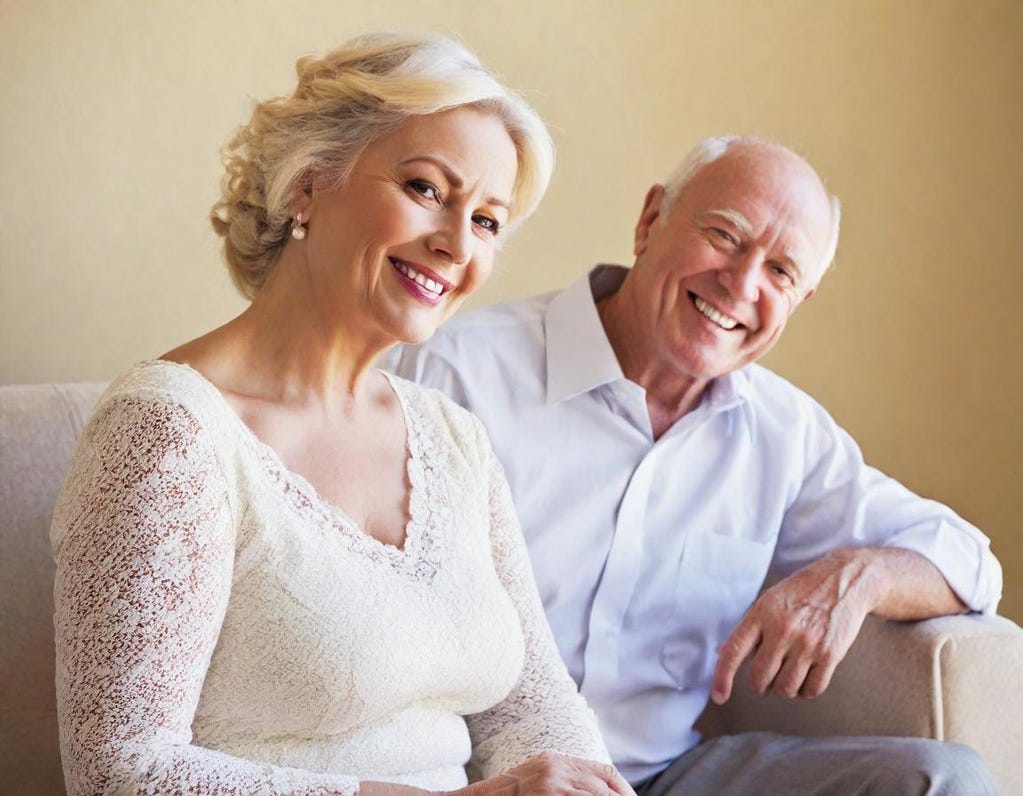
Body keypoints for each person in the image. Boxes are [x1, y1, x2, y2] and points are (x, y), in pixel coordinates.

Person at [50, 32, 635, 796]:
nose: (456, 243)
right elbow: (122, 772)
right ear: (307, 185)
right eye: (426, 188)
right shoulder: (168, 432)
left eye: (487, 221)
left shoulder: (450, 436)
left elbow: (530, 701)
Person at [393, 135, 1003, 794]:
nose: (741, 285)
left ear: (800, 299)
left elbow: (969, 560)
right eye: (724, 237)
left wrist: (857, 575)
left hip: (663, 779)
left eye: (780, 271)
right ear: (650, 220)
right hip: (480, 779)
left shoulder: (784, 434)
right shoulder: (453, 374)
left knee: (943, 779)